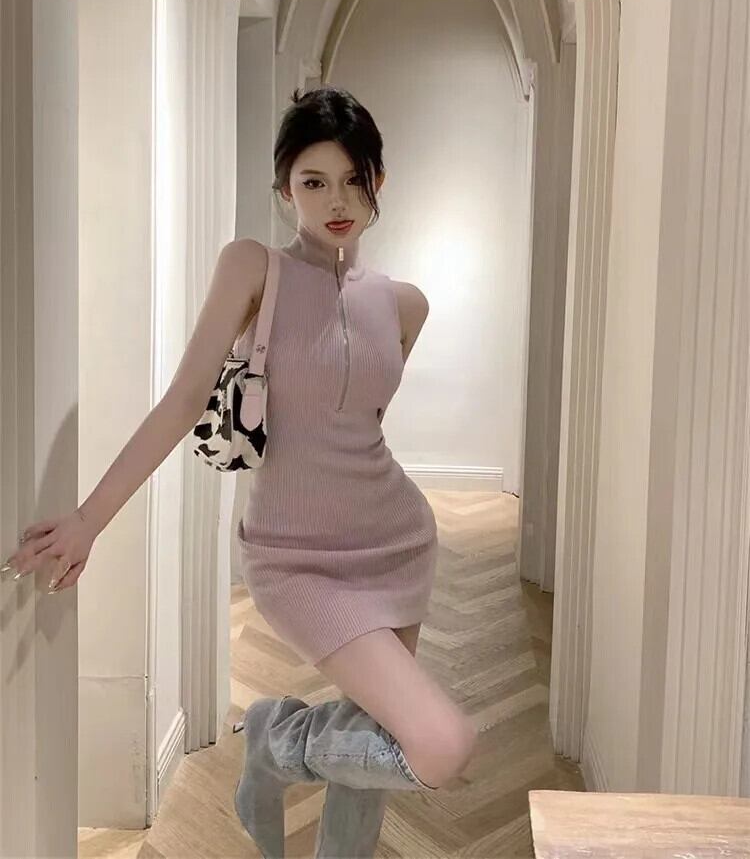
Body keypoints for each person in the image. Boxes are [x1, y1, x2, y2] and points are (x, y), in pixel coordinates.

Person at [2, 85, 477, 858]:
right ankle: (274, 738)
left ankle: (301, 784)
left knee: (369, 764)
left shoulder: (404, 305)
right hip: (295, 559)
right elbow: (183, 400)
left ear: (379, 181)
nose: (336, 200)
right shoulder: (255, 268)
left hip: (397, 543)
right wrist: (89, 518)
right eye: (314, 181)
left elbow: (357, 428)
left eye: (353, 179)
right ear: (285, 187)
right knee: (440, 744)